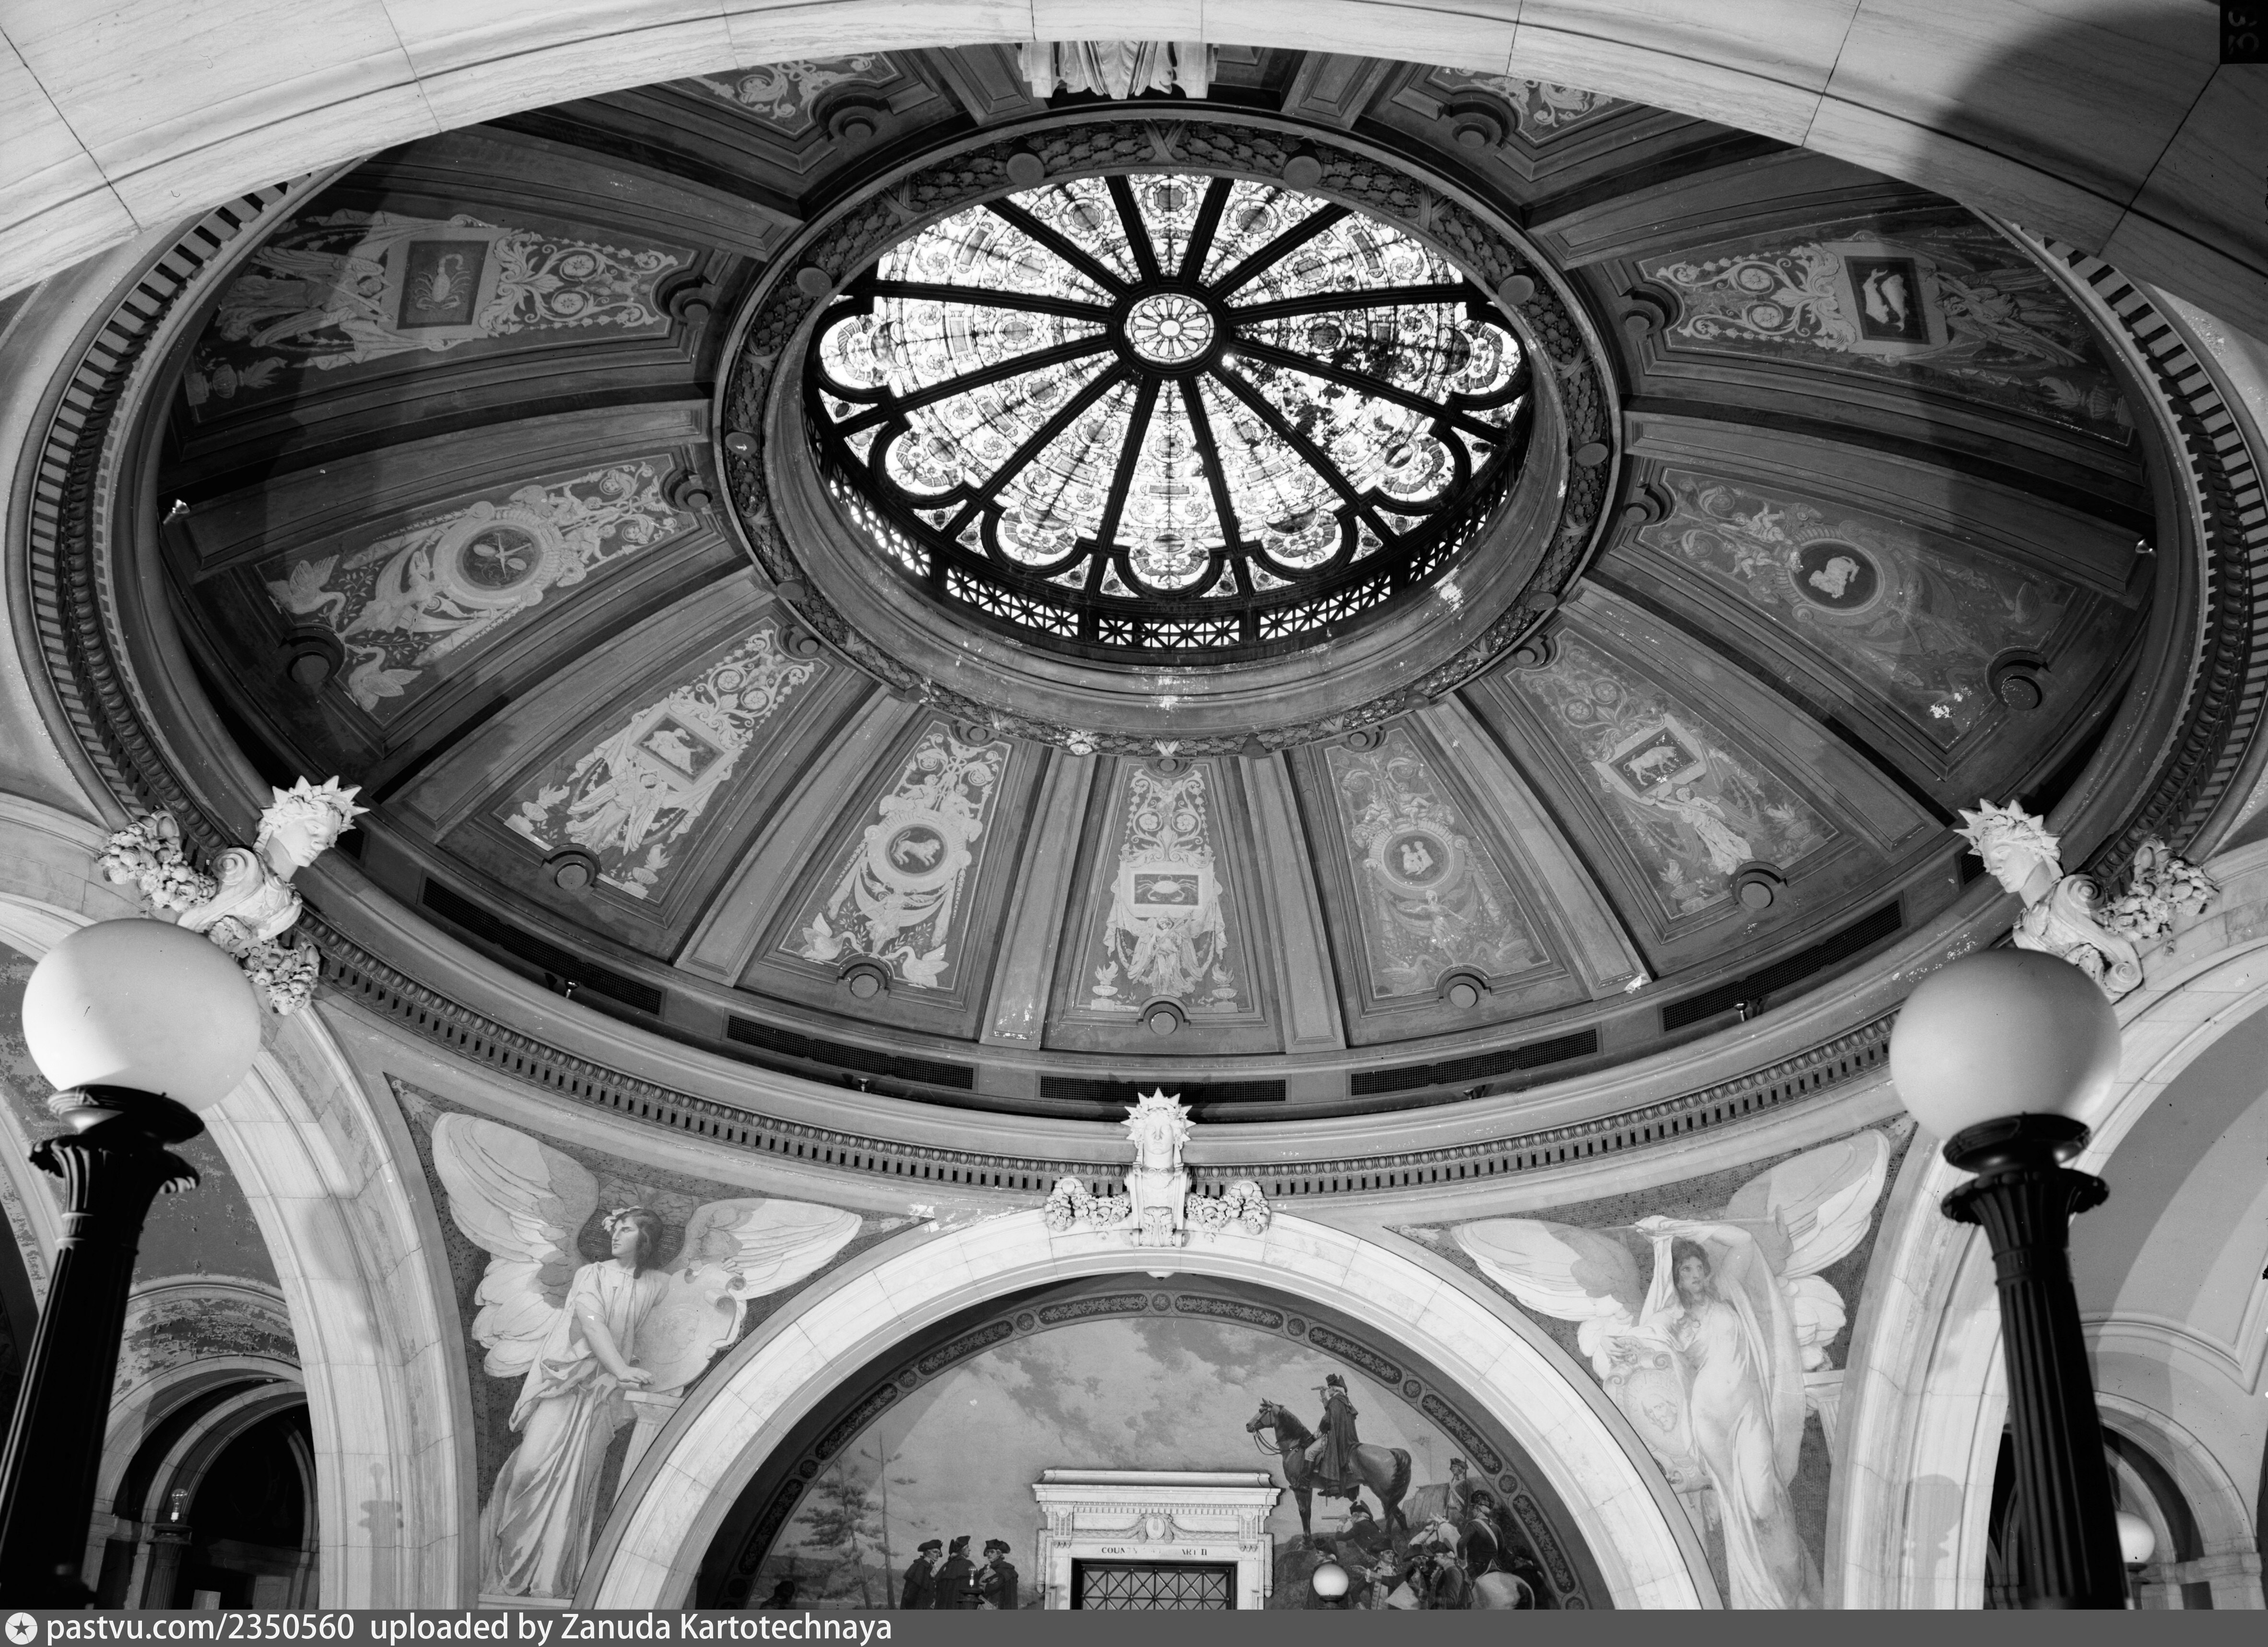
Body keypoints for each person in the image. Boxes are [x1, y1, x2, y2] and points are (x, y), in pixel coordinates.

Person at [479, 1206, 669, 1597]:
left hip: (603, 1396)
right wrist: (619, 1367)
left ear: (645, 1239)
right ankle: (505, 1571)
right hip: (565, 1383)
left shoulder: (657, 1285)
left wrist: (622, 1372)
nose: (616, 1235)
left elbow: (667, 1330)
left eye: (627, 1229)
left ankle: (550, 1580)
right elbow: (591, 1322)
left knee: (576, 1487)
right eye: (616, 1228)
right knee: (528, 1470)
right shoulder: (592, 1274)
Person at [1655, 1235, 1821, 1609]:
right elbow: (1647, 1338)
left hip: (1749, 1412)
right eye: (1686, 1269)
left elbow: (1746, 1242)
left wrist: (1681, 1226)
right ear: (1676, 1278)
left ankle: (1791, 1588)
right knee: (1736, 1506)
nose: (1695, 1274)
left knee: (1764, 1503)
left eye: (1699, 1266)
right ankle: (1762, 1597)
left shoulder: (1726, 1294)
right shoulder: (1673, 1318)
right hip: (1710, 1418)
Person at [1311, 1373, 1362, 1497]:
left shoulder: (1336, 1401)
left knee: (1311, 1452)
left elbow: (1327, 1419)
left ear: (1334, 1389)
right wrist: (1323, 1396)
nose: (1328, 1390)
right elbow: (1331, 1412)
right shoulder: (1342, 1400)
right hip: (1347, 1438)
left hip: (1337, 1437)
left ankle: (1327, 1485)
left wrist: (1318, 1434)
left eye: (1329, 1388)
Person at [937, 1535, 978, 1608]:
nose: (970, 1550)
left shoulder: (947, 1565)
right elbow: (974, 1589)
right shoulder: (968, 1564)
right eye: (968, 1547)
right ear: (963, 1550)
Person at [899, 1540, 942, 1609]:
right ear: (927, 1553)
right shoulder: (920, 1566)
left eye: (939, 1553)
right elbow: (911, 1593)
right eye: (935, 1552)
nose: (938, 1555)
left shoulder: (932, 1567)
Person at [978, 1539, 1019, 1610]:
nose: (989, 1554)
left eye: (992, 1552)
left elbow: (993, 1588)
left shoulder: (1006, 1569)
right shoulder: (985, 1569)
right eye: (988, 1552)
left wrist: (982, 1585)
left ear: (999, 1554)